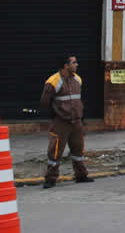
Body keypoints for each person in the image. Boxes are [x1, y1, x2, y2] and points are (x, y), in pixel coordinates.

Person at [40, 55, 94, 189]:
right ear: (66, 65)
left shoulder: (77, 79)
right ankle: (51, 179)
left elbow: (78, 100)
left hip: (76, 122)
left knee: (78, 149)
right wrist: (54, 115)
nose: (77, 65)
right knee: (55, 150)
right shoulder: (53, 81)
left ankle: (81, 175)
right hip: (61, 122)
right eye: (74, 63)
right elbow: (44, 102)